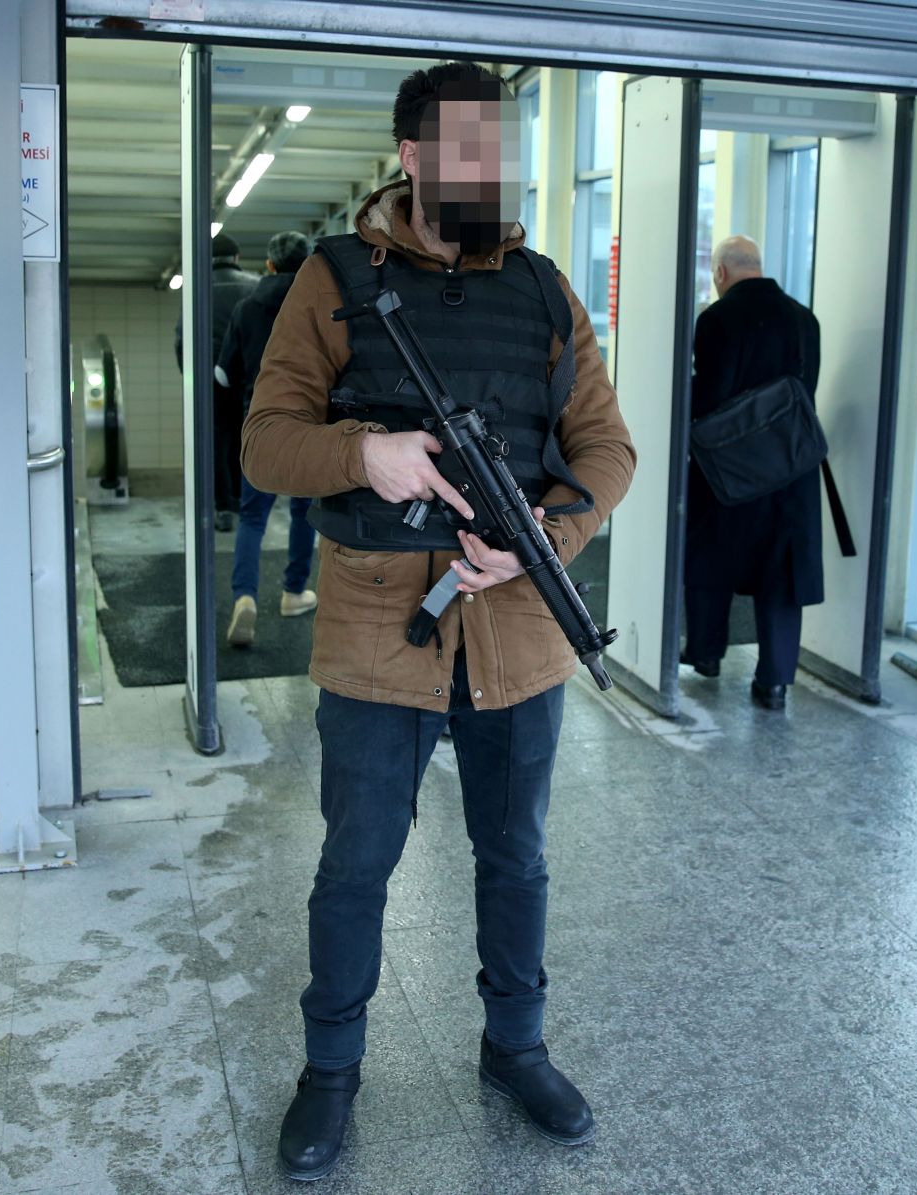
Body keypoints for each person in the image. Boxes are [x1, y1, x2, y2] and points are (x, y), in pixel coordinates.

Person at [243, 62, 635, 1181]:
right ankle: (331, 1071)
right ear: (410, 158)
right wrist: (367, 451)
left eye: (499, 149)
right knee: (356, 859)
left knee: (515, 856)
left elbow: (607, 449)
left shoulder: (548, 289)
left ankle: (515, 1046)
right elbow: (265, 444)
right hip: (375, 629)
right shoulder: (330, 283)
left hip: (518, 629)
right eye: (464, 149)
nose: (487, 170)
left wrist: (545, 538)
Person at [683, 235, 823, 711]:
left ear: (721, 273)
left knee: (709, 556)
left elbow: (709, 398)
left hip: (729, 471)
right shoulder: (806, 319)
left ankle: (705, 653)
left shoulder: (717, 319)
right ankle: (775, 681)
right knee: (781, 575)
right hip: (791, 471)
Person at [216, 230, 319, 648]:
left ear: (270, 266)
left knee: (252, 518)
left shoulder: (247, 307)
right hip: (309, 428)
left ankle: (245, 597)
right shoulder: (318, 305)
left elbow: (223, 373)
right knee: (303, 514)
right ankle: (294, 592)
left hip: (259, 423)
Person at [174, 231, 259, 531]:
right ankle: (246, 498)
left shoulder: (195, 288)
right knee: (247, 436)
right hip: (250, 377)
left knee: (216, 441)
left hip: (209, 379)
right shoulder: (255, 285)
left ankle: (223, 507)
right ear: (236, 258)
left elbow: (182, 339)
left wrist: (190, 379)